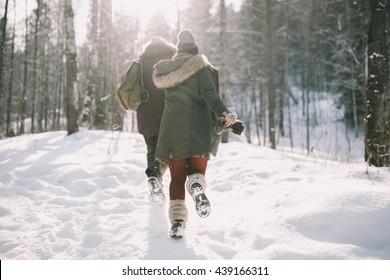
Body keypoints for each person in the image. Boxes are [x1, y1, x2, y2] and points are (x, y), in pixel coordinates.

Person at [153, 29, 237, 238]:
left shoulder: (165, 70)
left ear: (178, 50)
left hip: (172, 130)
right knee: (195, 172)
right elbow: (211, 96)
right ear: (195, 50)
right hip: (199, 129)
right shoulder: (201, 69)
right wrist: (224, 113)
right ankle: (197, 185)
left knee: (177, 178)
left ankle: (177, 222)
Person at [137, 37, 176, 206]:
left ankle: (155, 186)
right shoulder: (171, 58)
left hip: (145, 112)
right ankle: (155, 174)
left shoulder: (142, 60)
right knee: (168, 150)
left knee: (151, 149)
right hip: (166, 111)